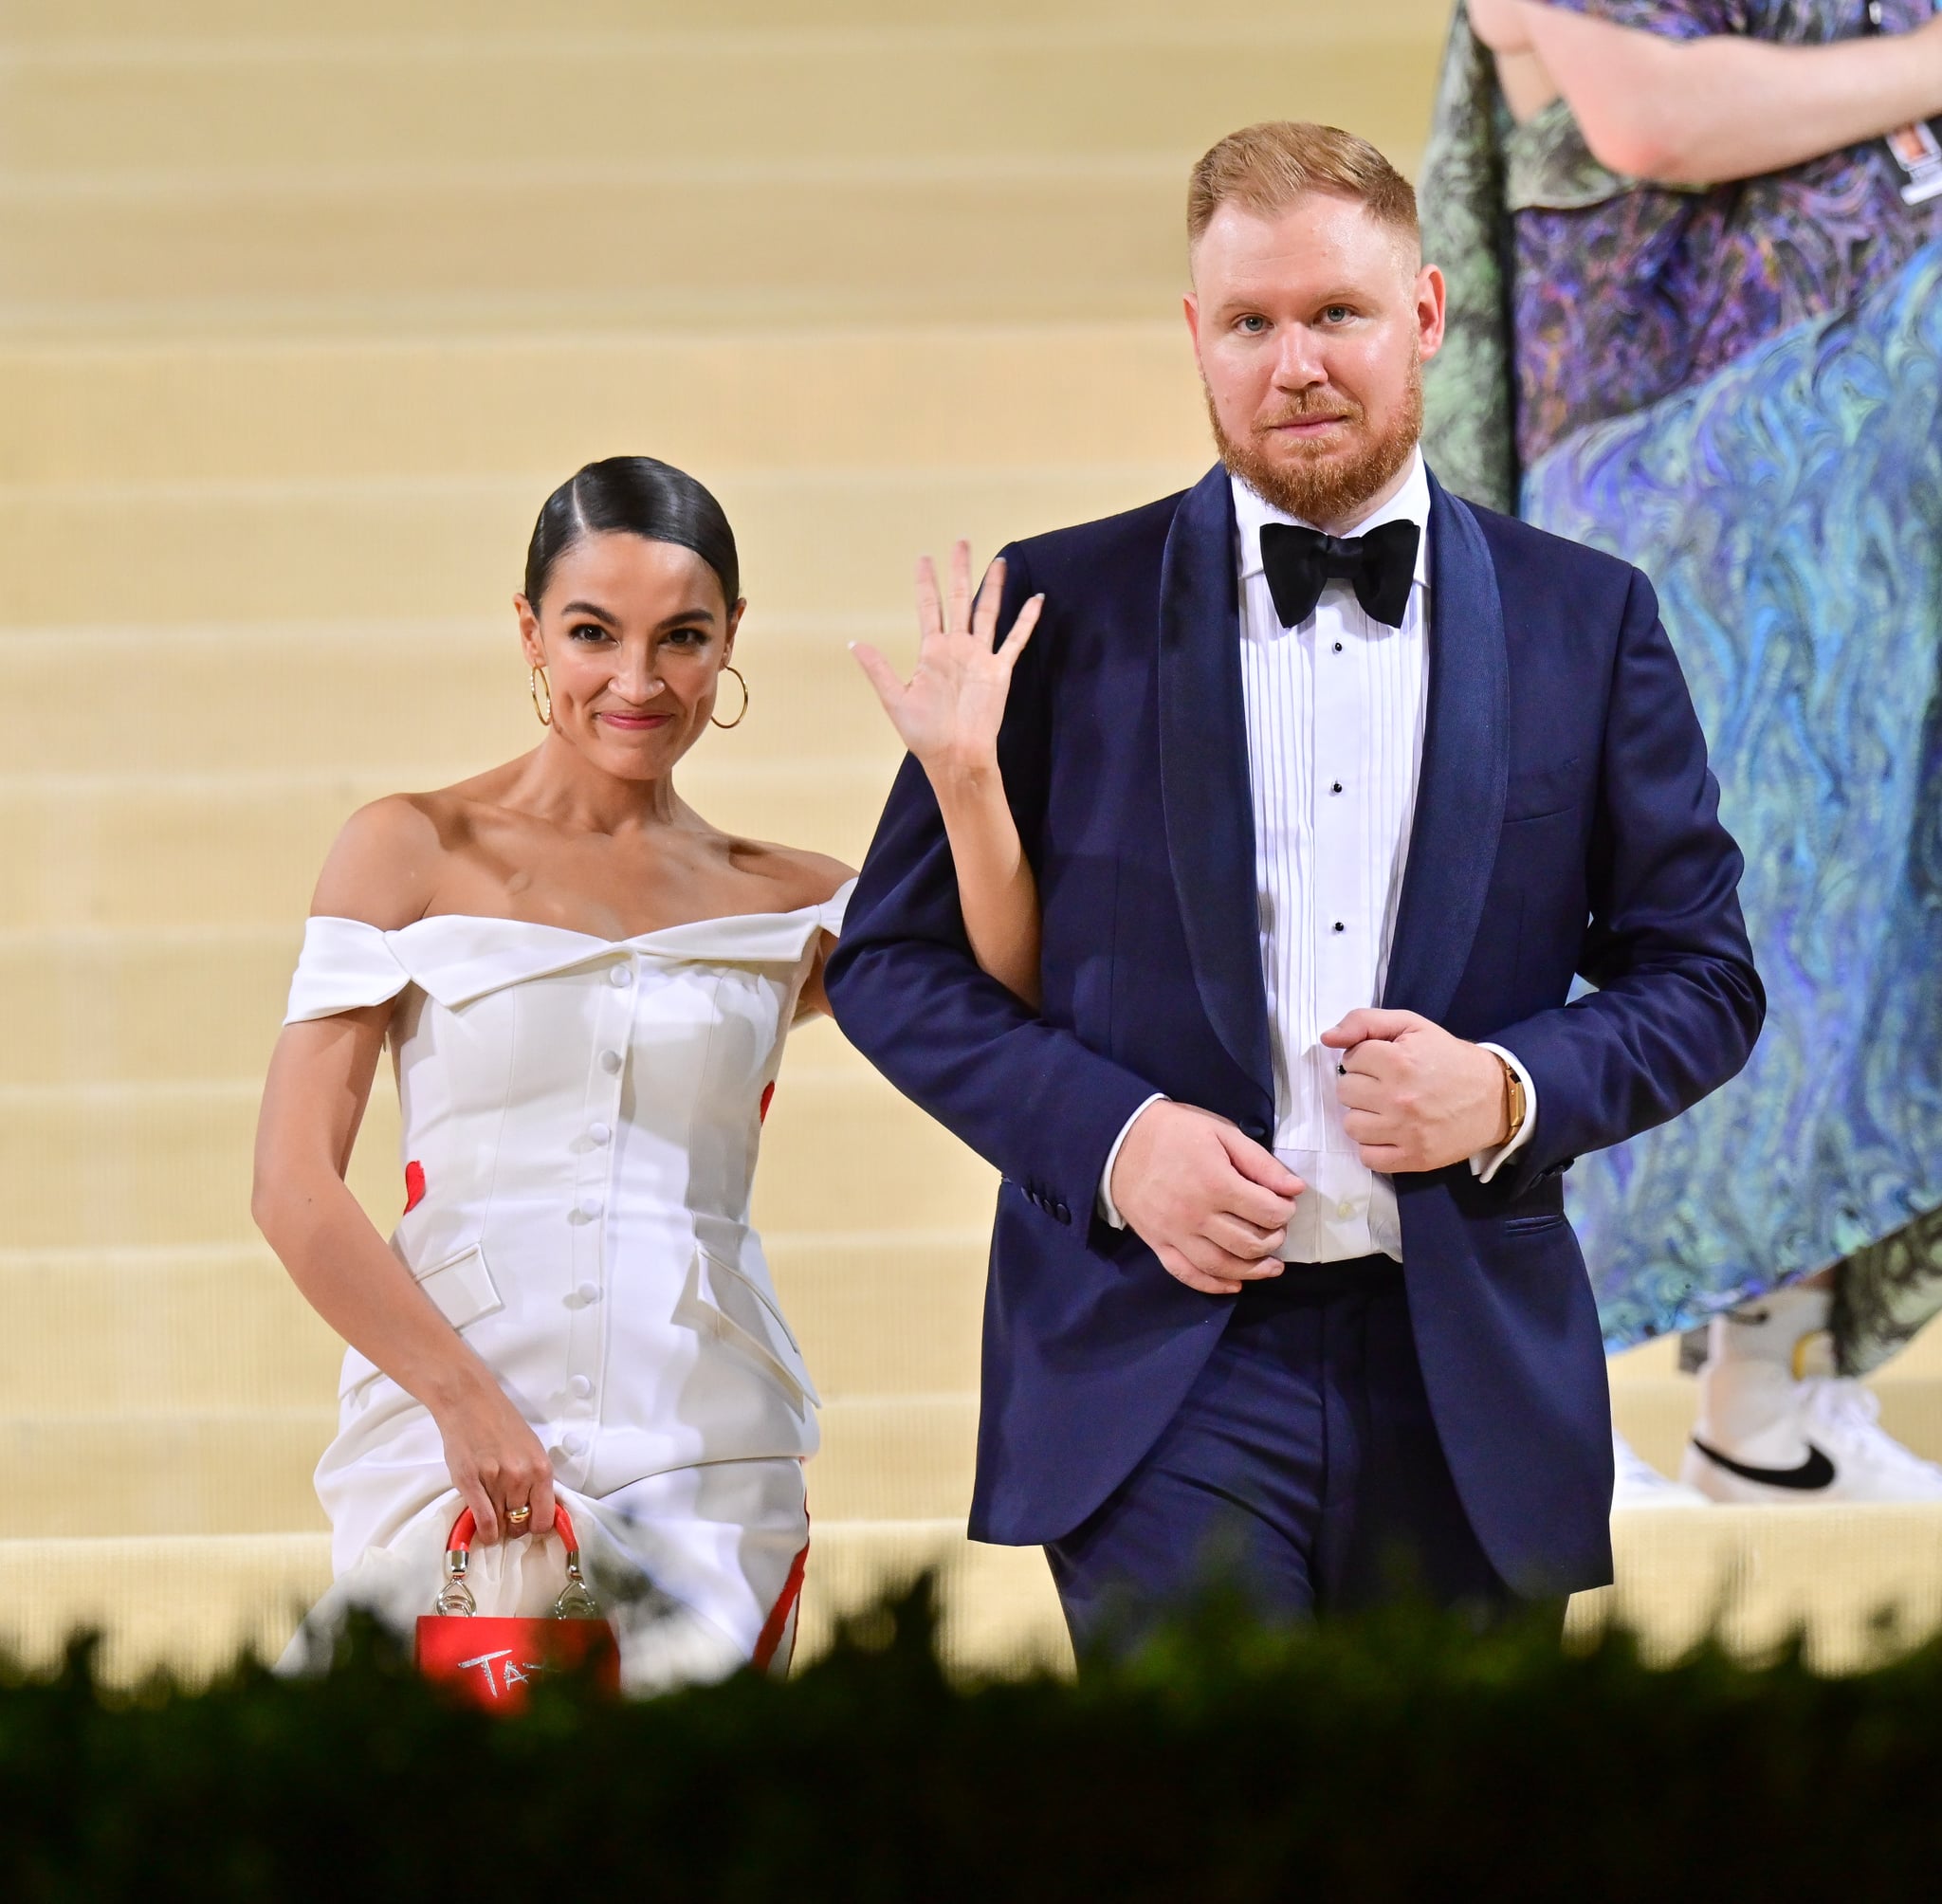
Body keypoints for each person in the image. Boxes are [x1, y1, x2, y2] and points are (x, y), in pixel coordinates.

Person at [827, 121, 1763, 1656]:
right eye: (1251, 324)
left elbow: (1705, 978)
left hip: (1469, 1377)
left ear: (1429, 315)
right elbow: (894, 965)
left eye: (1336, 312)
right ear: (1198, 337)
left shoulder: (1587, 622)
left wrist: (1513, 1091)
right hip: (1159, 1375)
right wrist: (1118, 1147)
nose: (1295, 364)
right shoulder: (1059, 608)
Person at [253, 457, 1048, 1688]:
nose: (637, 682)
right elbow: (292, 1184)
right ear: (529, 633)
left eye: (681, 637)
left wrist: (966, 778)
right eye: (591, 633)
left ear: (732, 635)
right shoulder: (405, 849)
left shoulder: (796, 898)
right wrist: (463, 1402)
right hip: (443, 1415)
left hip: (709, 1435)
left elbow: (1004, 1007)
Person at [1421, 0, 1942, 1505]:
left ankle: (1770, 1401)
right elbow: (1650, 117)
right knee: (1612, 946)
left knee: (1846, 954)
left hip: (1865, 531)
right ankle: (1523, 1412)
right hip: (1676, 489)